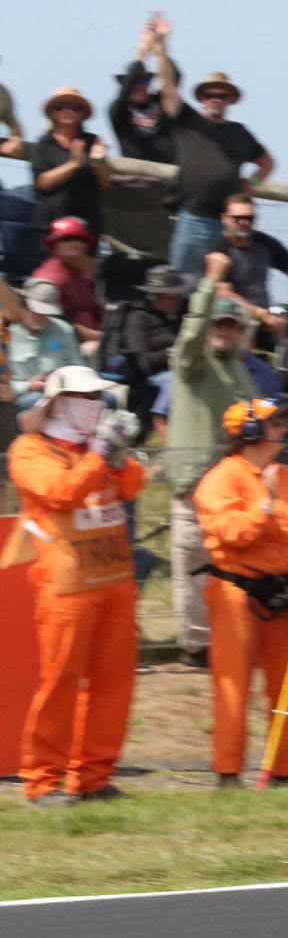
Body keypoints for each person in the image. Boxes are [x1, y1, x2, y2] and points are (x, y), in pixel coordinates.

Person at [6, 368, 143, 806]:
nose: (97, 404)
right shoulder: (30, 449)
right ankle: (43, 781)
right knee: (60, 682)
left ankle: (94, 777)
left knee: (114, 683)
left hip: (116, 580)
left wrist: (117, 456)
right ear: (58, 402)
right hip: (67, 586)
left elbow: (133, 486)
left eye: (99, 396)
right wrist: (100, 455)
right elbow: (61, 492)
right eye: (86, 397)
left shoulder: (94, 449)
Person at [193, 399, 288, 789]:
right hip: (235, 591)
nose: (284, 428)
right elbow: (234, 533)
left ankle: (285, 767)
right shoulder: (222, 479)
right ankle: (228, 770)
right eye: (275, 422)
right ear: (249, 432)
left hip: (278, 591)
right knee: (233, 682)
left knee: (286, 682)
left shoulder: (286, 474)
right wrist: (265, 499)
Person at [166, 251, 261, 668]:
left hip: (233, 487)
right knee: (192, 565)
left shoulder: (240, 370)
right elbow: (189, 335)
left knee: (231, 564)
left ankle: (231, 635)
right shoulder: (192, 362)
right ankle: (196, 647)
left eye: (231, 325)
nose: (224, 330)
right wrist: (209, 281)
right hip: (193, 485)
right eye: (217, 323)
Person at [150, 15, 275, 277]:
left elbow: (267, 162)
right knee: (182, 283)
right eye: (210, 95)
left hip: (228, 224)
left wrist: (249, 185)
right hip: (192, 218)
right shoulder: (188, 120)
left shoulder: (240, 133)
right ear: (203, 98)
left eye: (221, 95)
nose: (215, 99)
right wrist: (161, 44)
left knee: (220, 287)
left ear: (229, 100)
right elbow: (168, 86)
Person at [206, 193, 288, 329]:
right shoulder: (219, 251)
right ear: (225, 219)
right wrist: (262, 315)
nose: (245, 223)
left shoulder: (265, 243)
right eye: (238, 218)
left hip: (265, 318)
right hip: (231, 319)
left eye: (250, 218)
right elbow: (223, 294)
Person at [113, 264, 188, 431]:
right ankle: (161, 423)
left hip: (183, 367)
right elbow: (140, 360)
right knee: (175, 381)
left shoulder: (179, 315)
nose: (178, 299)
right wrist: (173, 353)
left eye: (179, 294)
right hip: (152, 375)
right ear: (155, 296)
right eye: (172, 295)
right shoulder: (137, 317)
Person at [31, 88, 110, 235]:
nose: (68, 111)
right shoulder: (45, 143)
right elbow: (42, 183)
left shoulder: (92, 140)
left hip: (87, 224)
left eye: (75, 107)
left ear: (81, 114)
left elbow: (105, 182)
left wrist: (98, 161)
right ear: (53, 113)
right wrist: (73, 164)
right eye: (60, 107)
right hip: (51, 225)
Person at [108, 16, 178, 165]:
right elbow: (125, 92)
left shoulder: (161, 101)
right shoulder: (119, 110)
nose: (139, 86)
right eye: (134, 82)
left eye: (143, 81)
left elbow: (172, 80)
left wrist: (161, 45)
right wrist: (142, 52)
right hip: (136, 172)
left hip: (168, 171)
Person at [30, 217, 105, 352]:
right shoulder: (50, 277)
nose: (75, 243)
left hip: (87, 343)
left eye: (80, 239)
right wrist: (101, 338)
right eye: (67, 239)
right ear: (55, 244)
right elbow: (48, 323)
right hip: (57, 348)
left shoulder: (79, 273)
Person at [8, 280, 84, 411]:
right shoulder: (6, 332)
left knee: (109, 398)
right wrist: (28, 386)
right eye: (36, 310)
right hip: (21, 397)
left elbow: (79, 367)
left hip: (62, 391)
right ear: (23, 305)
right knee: (34, 400)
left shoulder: (63, 330)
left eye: (46, 312)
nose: (41, 316)